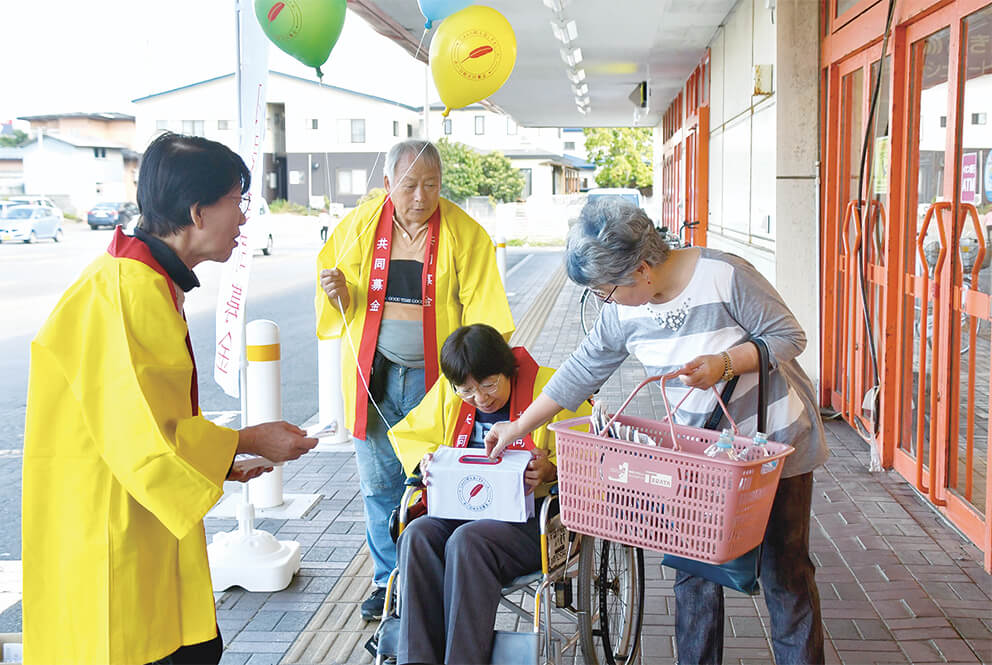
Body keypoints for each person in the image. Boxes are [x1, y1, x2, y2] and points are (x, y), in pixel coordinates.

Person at [486, 198, 830, 665]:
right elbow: (582, 369)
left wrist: (726, 363)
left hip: (770, 451)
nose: (605, 302)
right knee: (693, 577)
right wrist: (520, 425)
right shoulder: (623, 308)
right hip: (695, 458)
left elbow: (789, 337)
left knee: (784, 574)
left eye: (607, 290)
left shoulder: (724, 275)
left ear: (642, 269)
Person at [21, 132, 318, 665]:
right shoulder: (130, 292)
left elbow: (147, 420)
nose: (244, 219)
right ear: (198, 212)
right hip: (113, 527)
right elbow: (144, 434)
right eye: (238, 202)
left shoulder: (138, 280)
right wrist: (247, 440)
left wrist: (225, 459)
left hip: (137, 513)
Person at [315, 140, 514, 621]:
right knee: (379, 483)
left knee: (436, 480)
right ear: (388, 185)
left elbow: (487, 318)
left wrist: (480, 381)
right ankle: (387, 583)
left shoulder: (465, 234)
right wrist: (335, 288)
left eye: (431, 185)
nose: (421, 197)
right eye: (409, 186)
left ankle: (430, 578)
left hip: (438, 382)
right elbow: (333, 290)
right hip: (376, 376)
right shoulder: (359, 226)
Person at [388, 324, 590, 665]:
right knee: (417, 535)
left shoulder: (552, 390)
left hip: (533, 520)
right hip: (463, 508)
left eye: (488, 384)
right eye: (466, 391)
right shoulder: (449, 395)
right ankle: (417, 659)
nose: (480, 398)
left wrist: (552, 470)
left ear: (508, 368)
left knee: (467, 541)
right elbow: (411, 435)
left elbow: (592, 454)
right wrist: (425, 461)